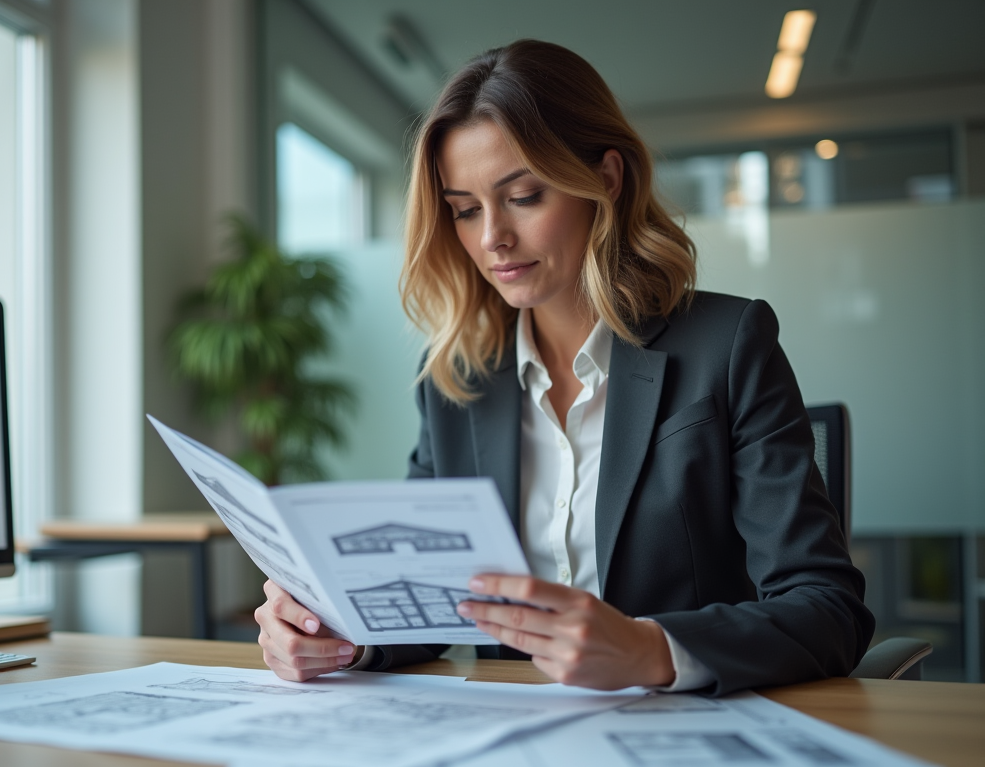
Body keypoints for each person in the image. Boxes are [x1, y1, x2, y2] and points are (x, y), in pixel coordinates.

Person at [255, 39, 874, 696]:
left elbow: (826, 608)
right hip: (512, 731)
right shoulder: (456, 380)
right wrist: (338, 635)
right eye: (465, 210)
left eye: (523, 196)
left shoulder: (726, 346)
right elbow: (435, 605)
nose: (491, 238)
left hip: (678, 730)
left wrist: (650, 649)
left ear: (605, 179)